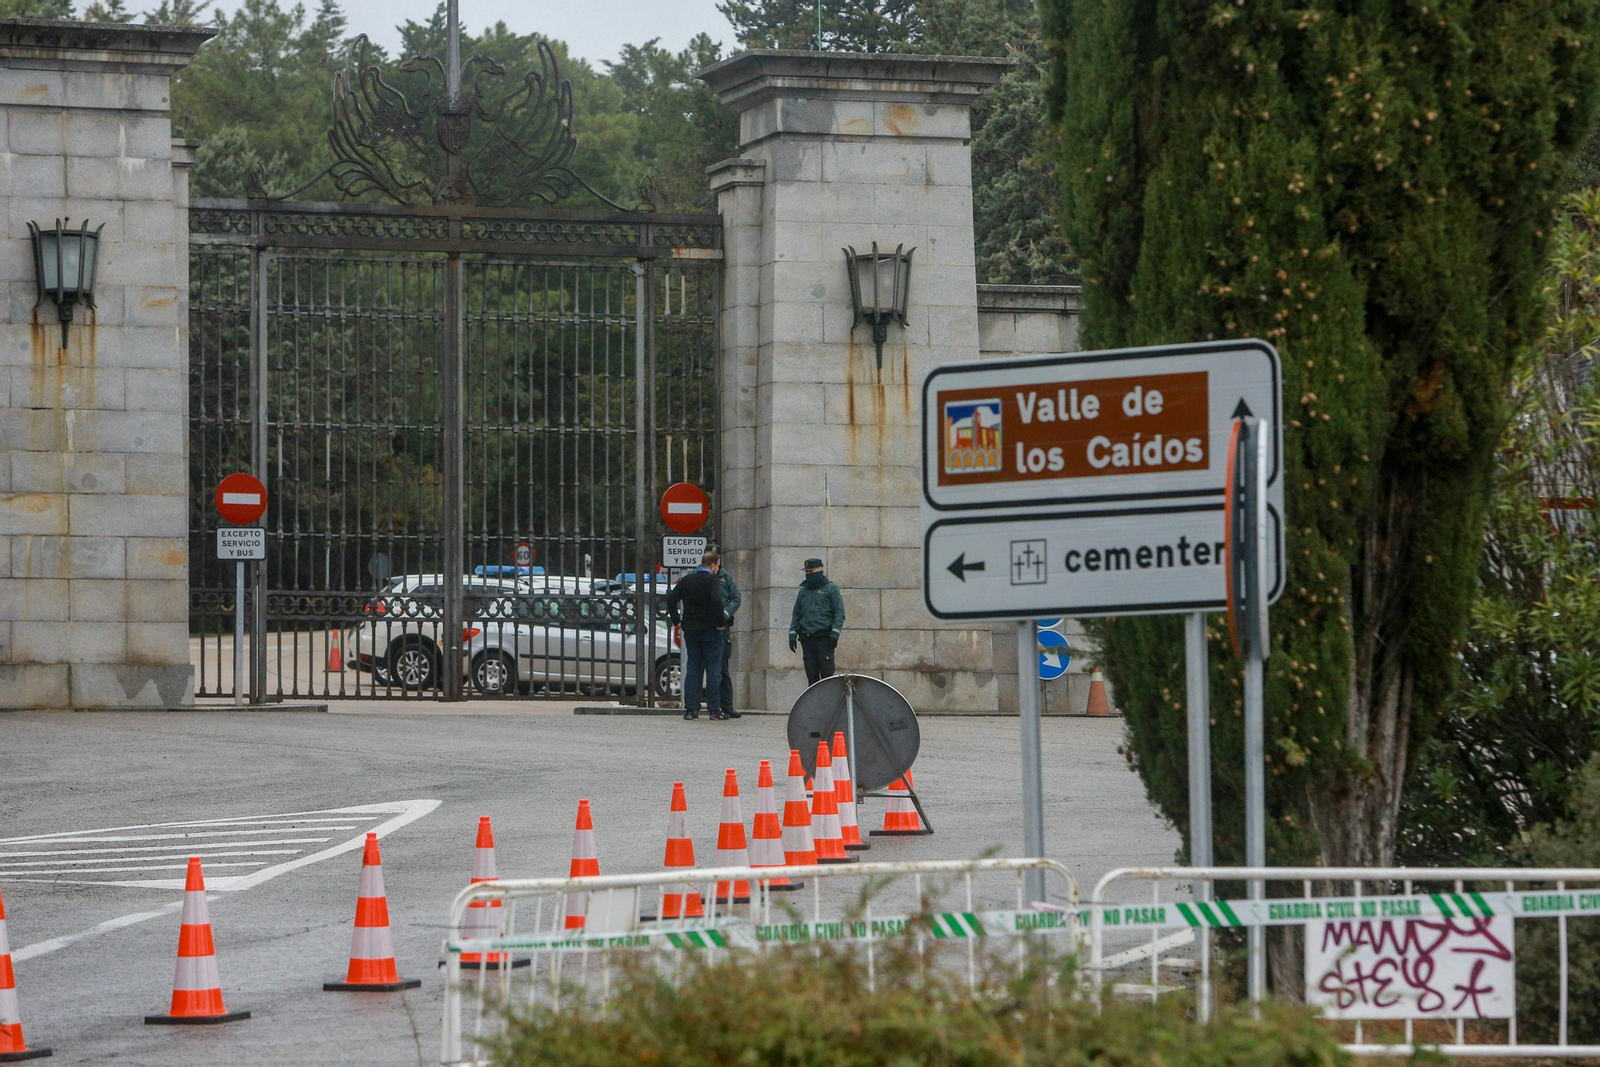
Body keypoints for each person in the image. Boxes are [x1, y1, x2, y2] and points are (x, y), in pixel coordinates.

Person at [664, 549, 731, 721]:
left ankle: (691, 710)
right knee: (713, 671)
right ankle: (714, 710)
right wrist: (720, 623)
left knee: (693, 669)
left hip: (691, 630)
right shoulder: (712, 580)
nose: (717, 569)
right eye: (717, 566)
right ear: (714, 565)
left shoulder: (687, 580)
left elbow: (671, 599)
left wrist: (677, 621)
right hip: (710, 630)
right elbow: (717, 601)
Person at [788, 557, 844, 686]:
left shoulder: (831, 589)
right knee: (812, 677)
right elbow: (796, 614)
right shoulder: (803, 591)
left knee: (827, 676)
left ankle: (829, 705)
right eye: (806, 572)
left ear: (819, 570)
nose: (808, 575)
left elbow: (839, 613)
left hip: (824, 639)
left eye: (811, 572)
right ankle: (814, 706)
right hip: (807, 639)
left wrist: (834, 635)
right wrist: (792, 633)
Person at [710, 546, 742, 719]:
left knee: (723, 668)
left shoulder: (726, 576)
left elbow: (736, 598)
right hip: (706, 626)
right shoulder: (699, 575)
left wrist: (726, 613)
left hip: (722, 626)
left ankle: (727, 705)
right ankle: (707, 707)